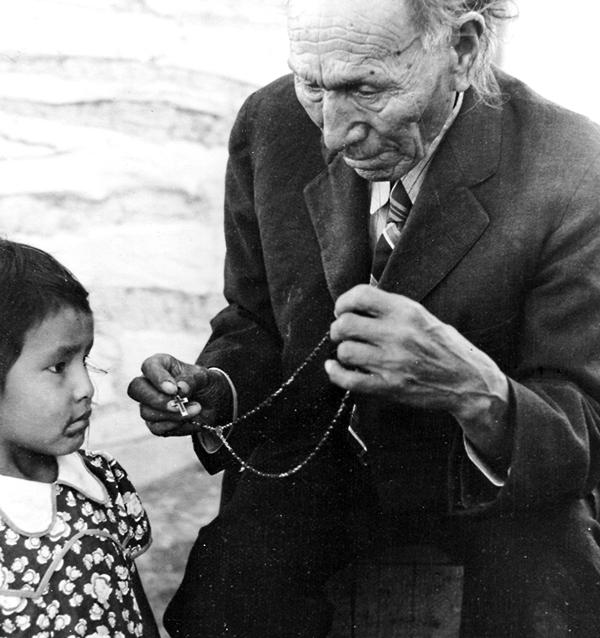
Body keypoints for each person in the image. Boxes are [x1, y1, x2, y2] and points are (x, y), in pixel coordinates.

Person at [127, 0, 600, 635]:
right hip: (312, 465)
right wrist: (217, 388)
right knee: (223, 604)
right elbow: (256, 318)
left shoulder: (572, 163)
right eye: (313, 84)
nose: (330, 131)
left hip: (492, 487)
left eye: (365, 87)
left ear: (462, 49)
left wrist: (475, 391)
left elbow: (585, 423)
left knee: (552, 608)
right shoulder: (272, 123)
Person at [0, 239, 159, 638]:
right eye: (58, 366)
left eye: (84, 360)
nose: (86, 387)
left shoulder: (102, 482)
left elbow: (136, 608)